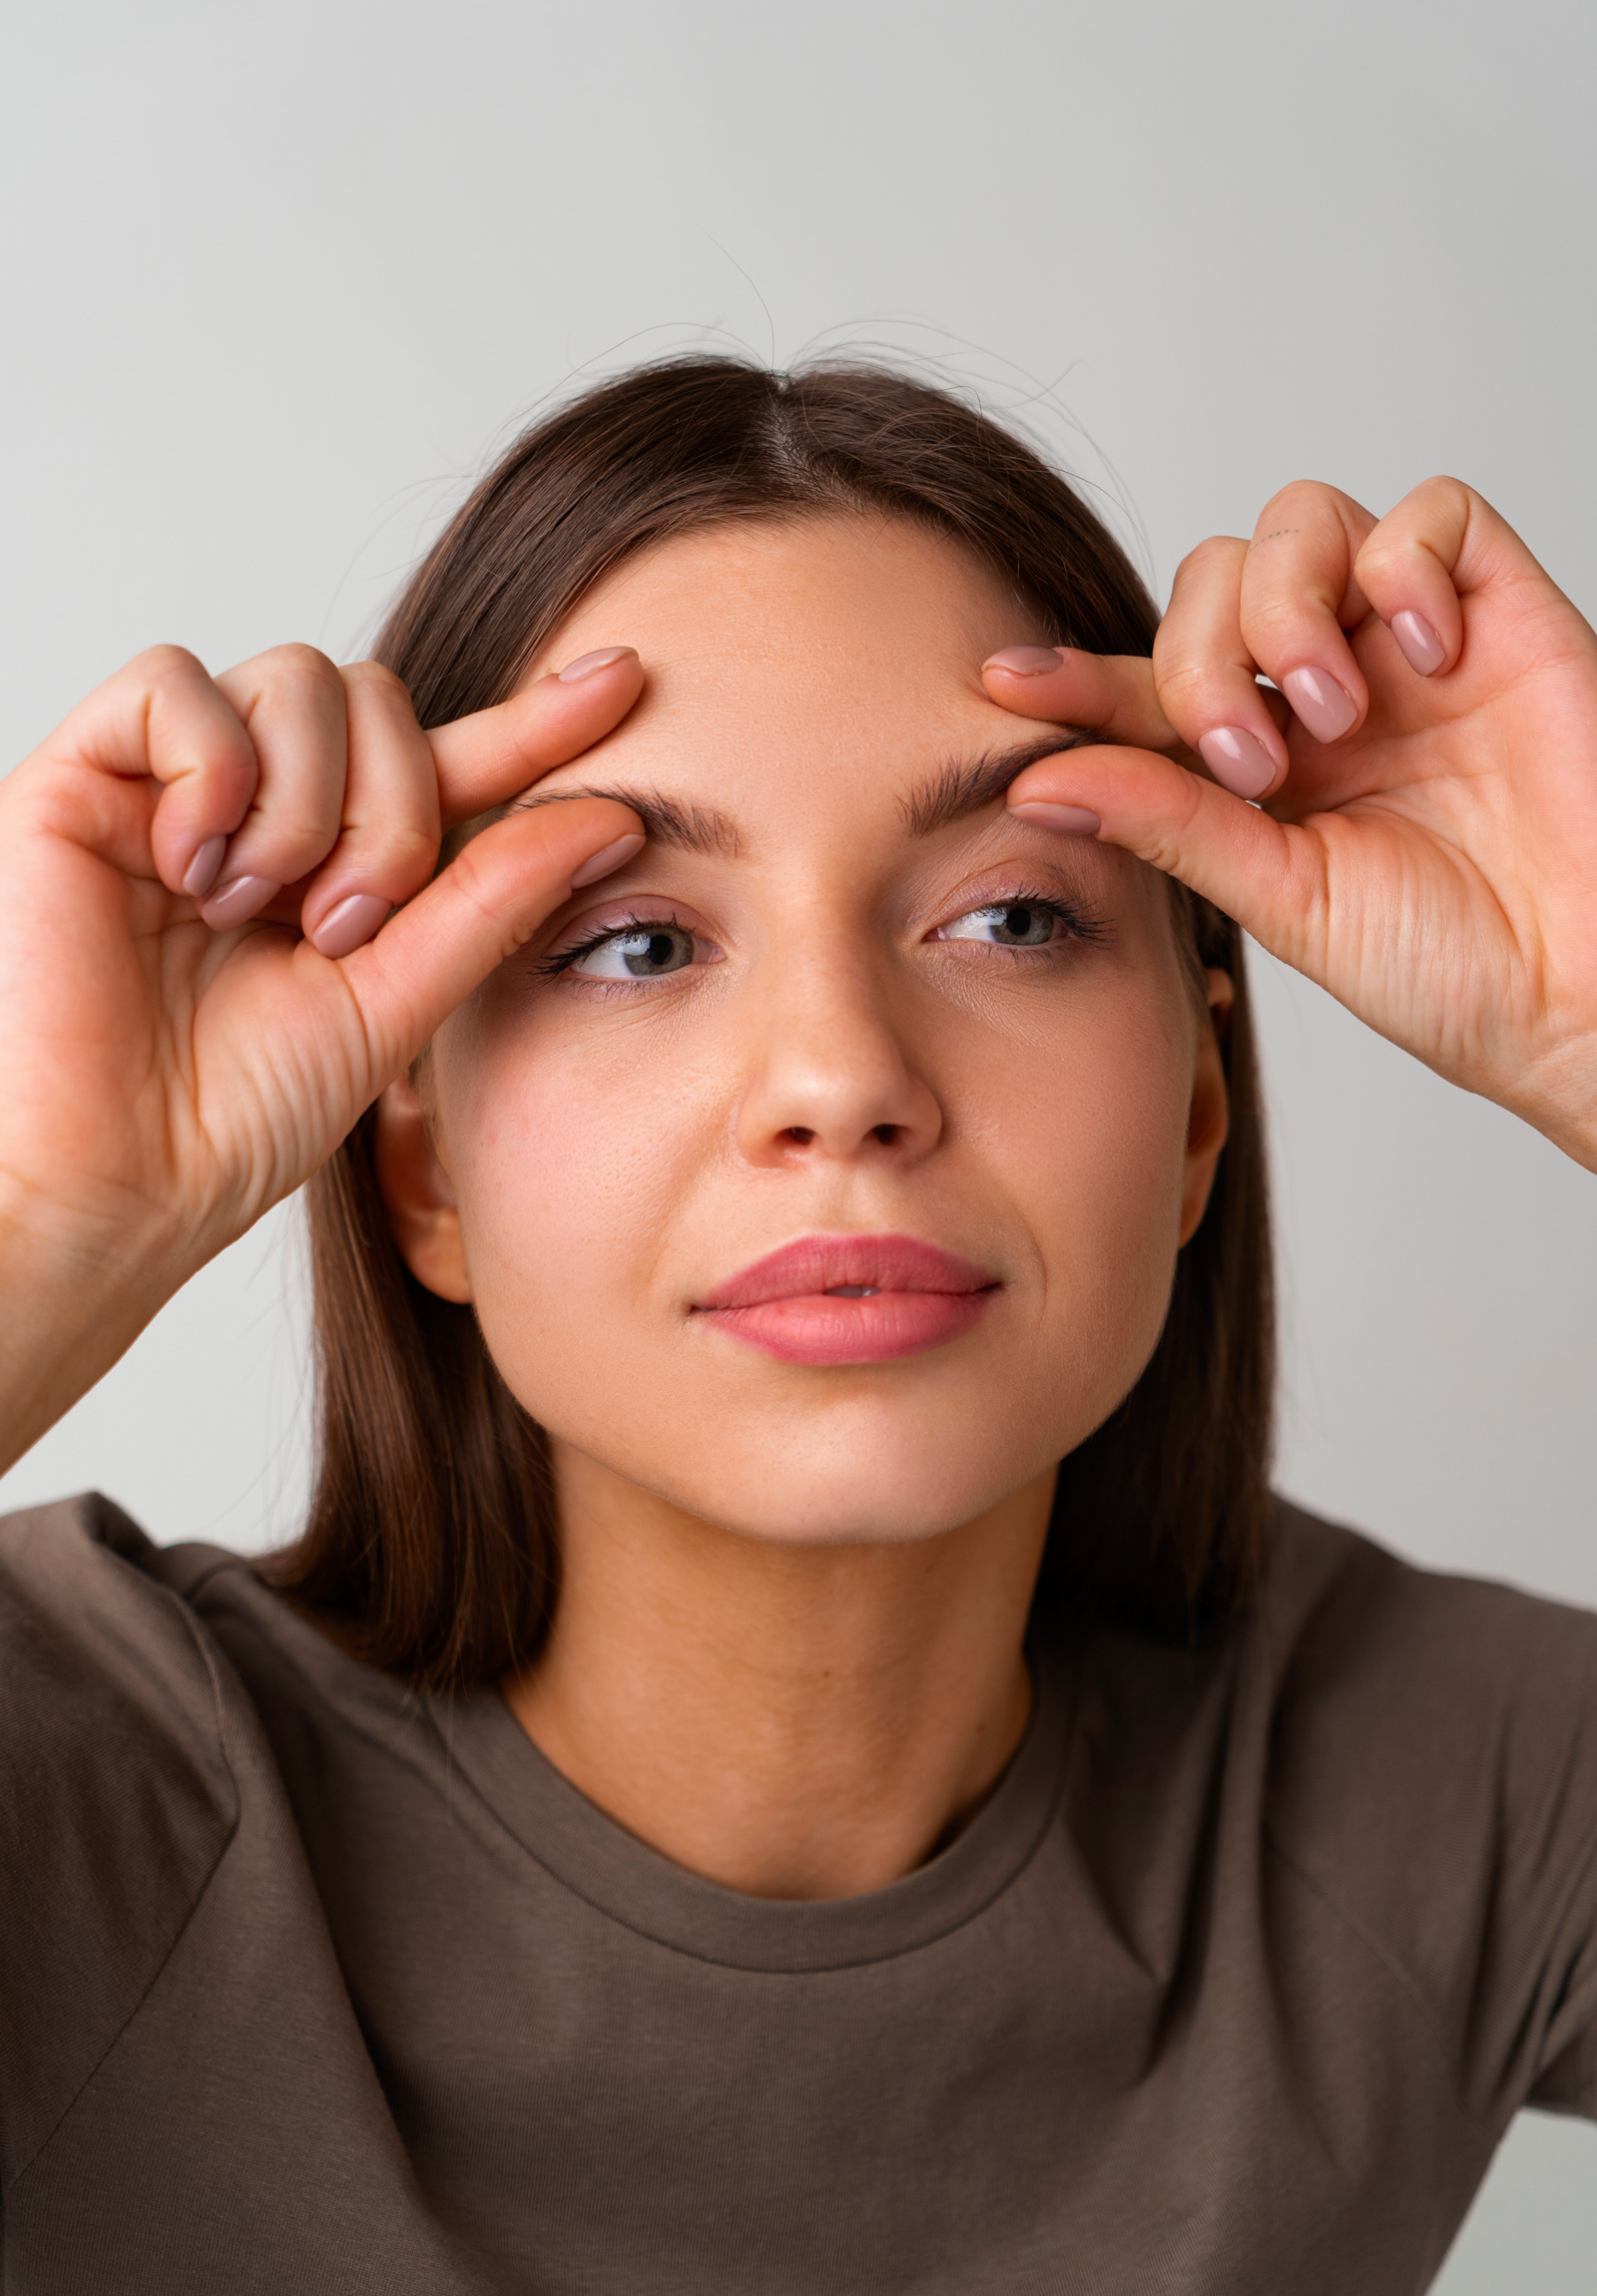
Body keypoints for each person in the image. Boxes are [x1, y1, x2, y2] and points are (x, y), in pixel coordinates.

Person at [0, 357, 1593, 2295]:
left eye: (1008, 918)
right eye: (639, 944)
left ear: (1193, 1112)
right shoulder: (79, 1784)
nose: (840, 1081)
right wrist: (39, 1222)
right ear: (413, 1167)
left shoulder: (1432, 1790)